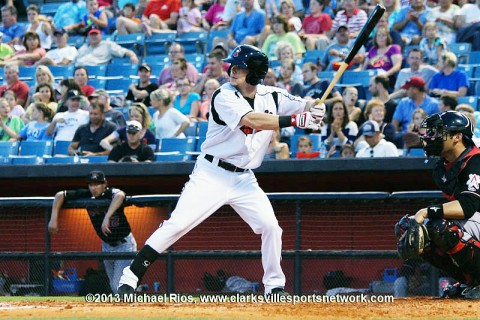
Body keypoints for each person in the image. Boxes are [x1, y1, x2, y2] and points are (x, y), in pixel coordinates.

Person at [117, 44, 326, 296]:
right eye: (232, 66)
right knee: (178, 224)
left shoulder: (272, 96)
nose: (232, 71)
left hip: (244, 178)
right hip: (211, 173)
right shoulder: (223, 95)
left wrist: (315, 107)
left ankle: (274, 287)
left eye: (239, 67)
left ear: (255, 72)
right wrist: (294, 120)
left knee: (271, 227)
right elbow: (252, 120)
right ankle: (129, 277)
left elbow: (305, 105)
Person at [395, 111, 480, 299]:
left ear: (457, 138)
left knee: (440, 227)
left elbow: (468, 206)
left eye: (439, 133)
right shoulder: (441, 168)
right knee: (410, 228)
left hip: (475, 214)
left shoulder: (475, 160)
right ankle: (471, 282)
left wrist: (425, 212)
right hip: (475, 223)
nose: (431, 137)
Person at [48, 170, 137, 294]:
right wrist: (54, 218)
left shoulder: (110, 193)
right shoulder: (86, 195)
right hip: (107, 246)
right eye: (91, 184)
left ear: (105, 184)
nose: (94, 187)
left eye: (97, 184)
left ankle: (131, 306)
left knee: (118, 284)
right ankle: (127, 304)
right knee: (113, 284)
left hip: (124, 244)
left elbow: (120, 195)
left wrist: (107, 217)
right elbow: (59, 195)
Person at [74, 28, 139, 66]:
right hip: (78, 71)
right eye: (91, 35)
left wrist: (132, 55)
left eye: (96, 34)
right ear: (88, 37)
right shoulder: (83, 48)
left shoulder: (108, 45)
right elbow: (73, 61)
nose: (93, 37)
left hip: (95, 71)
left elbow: (124, 51)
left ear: (101, 36)